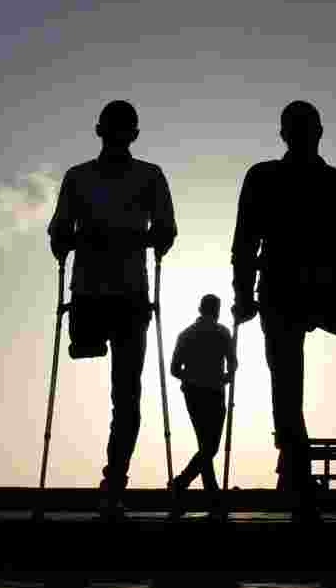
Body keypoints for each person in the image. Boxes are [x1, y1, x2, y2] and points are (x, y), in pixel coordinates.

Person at [231, 101, 336, 522]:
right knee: (286, 382)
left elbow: (245, 242)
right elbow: (246, 240)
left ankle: (294, 466)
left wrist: (244, 293)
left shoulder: (275, 178)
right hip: (302, 290)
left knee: (285, 382)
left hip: (298, 290)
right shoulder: (331, 181)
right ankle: (296, 466)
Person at [47, 100, 177, 520]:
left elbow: (166, 231)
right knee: (120, 386)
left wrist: (131, 240)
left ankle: (114, 481)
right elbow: (58, 234)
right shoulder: (81, 177)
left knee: (127, 393)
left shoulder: (147, 176)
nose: (120, 136)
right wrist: (82, 241)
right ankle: (114, 482)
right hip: (94, 292)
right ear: (108, 132)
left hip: (126, 296)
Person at [168, 294, 237, 519]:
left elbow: (175, 369)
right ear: (216, 310)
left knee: (206, 445)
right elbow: (233, 363)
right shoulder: (223, 333)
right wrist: (225, 377)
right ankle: (183, 484)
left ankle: (209, 496)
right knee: (210, 447)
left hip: (193, 393)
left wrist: (192, 375)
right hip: (215, 393)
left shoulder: (186, 334)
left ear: (200, 308)